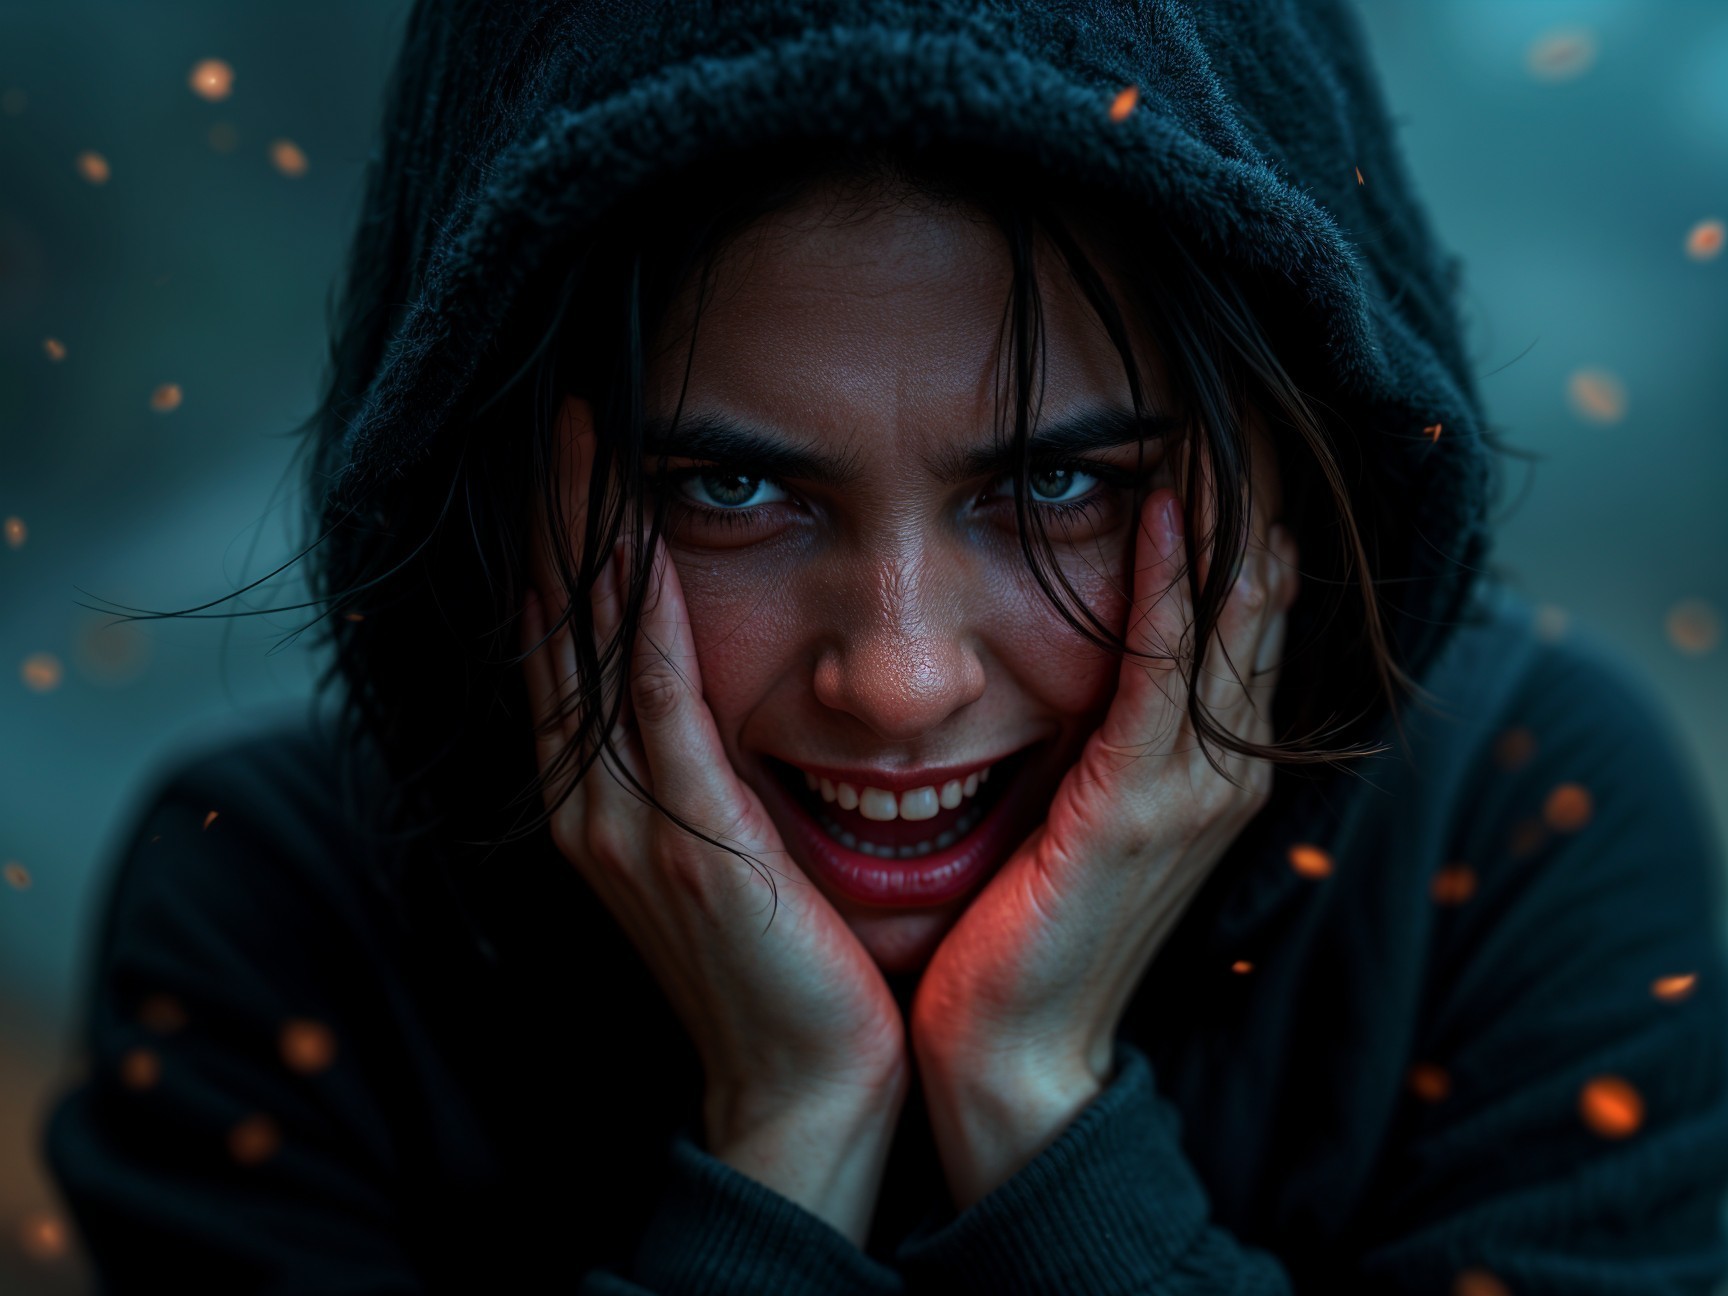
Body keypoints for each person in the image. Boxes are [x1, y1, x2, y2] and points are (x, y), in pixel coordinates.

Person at [42, 1, 1728, 1292]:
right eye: (729, 488)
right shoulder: (279, 923)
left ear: (1305, 460)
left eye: (1059, 482)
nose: (900, 678)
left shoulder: (1515, 842)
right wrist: (780, 1145)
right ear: (491, 484)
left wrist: (1040, 1113)